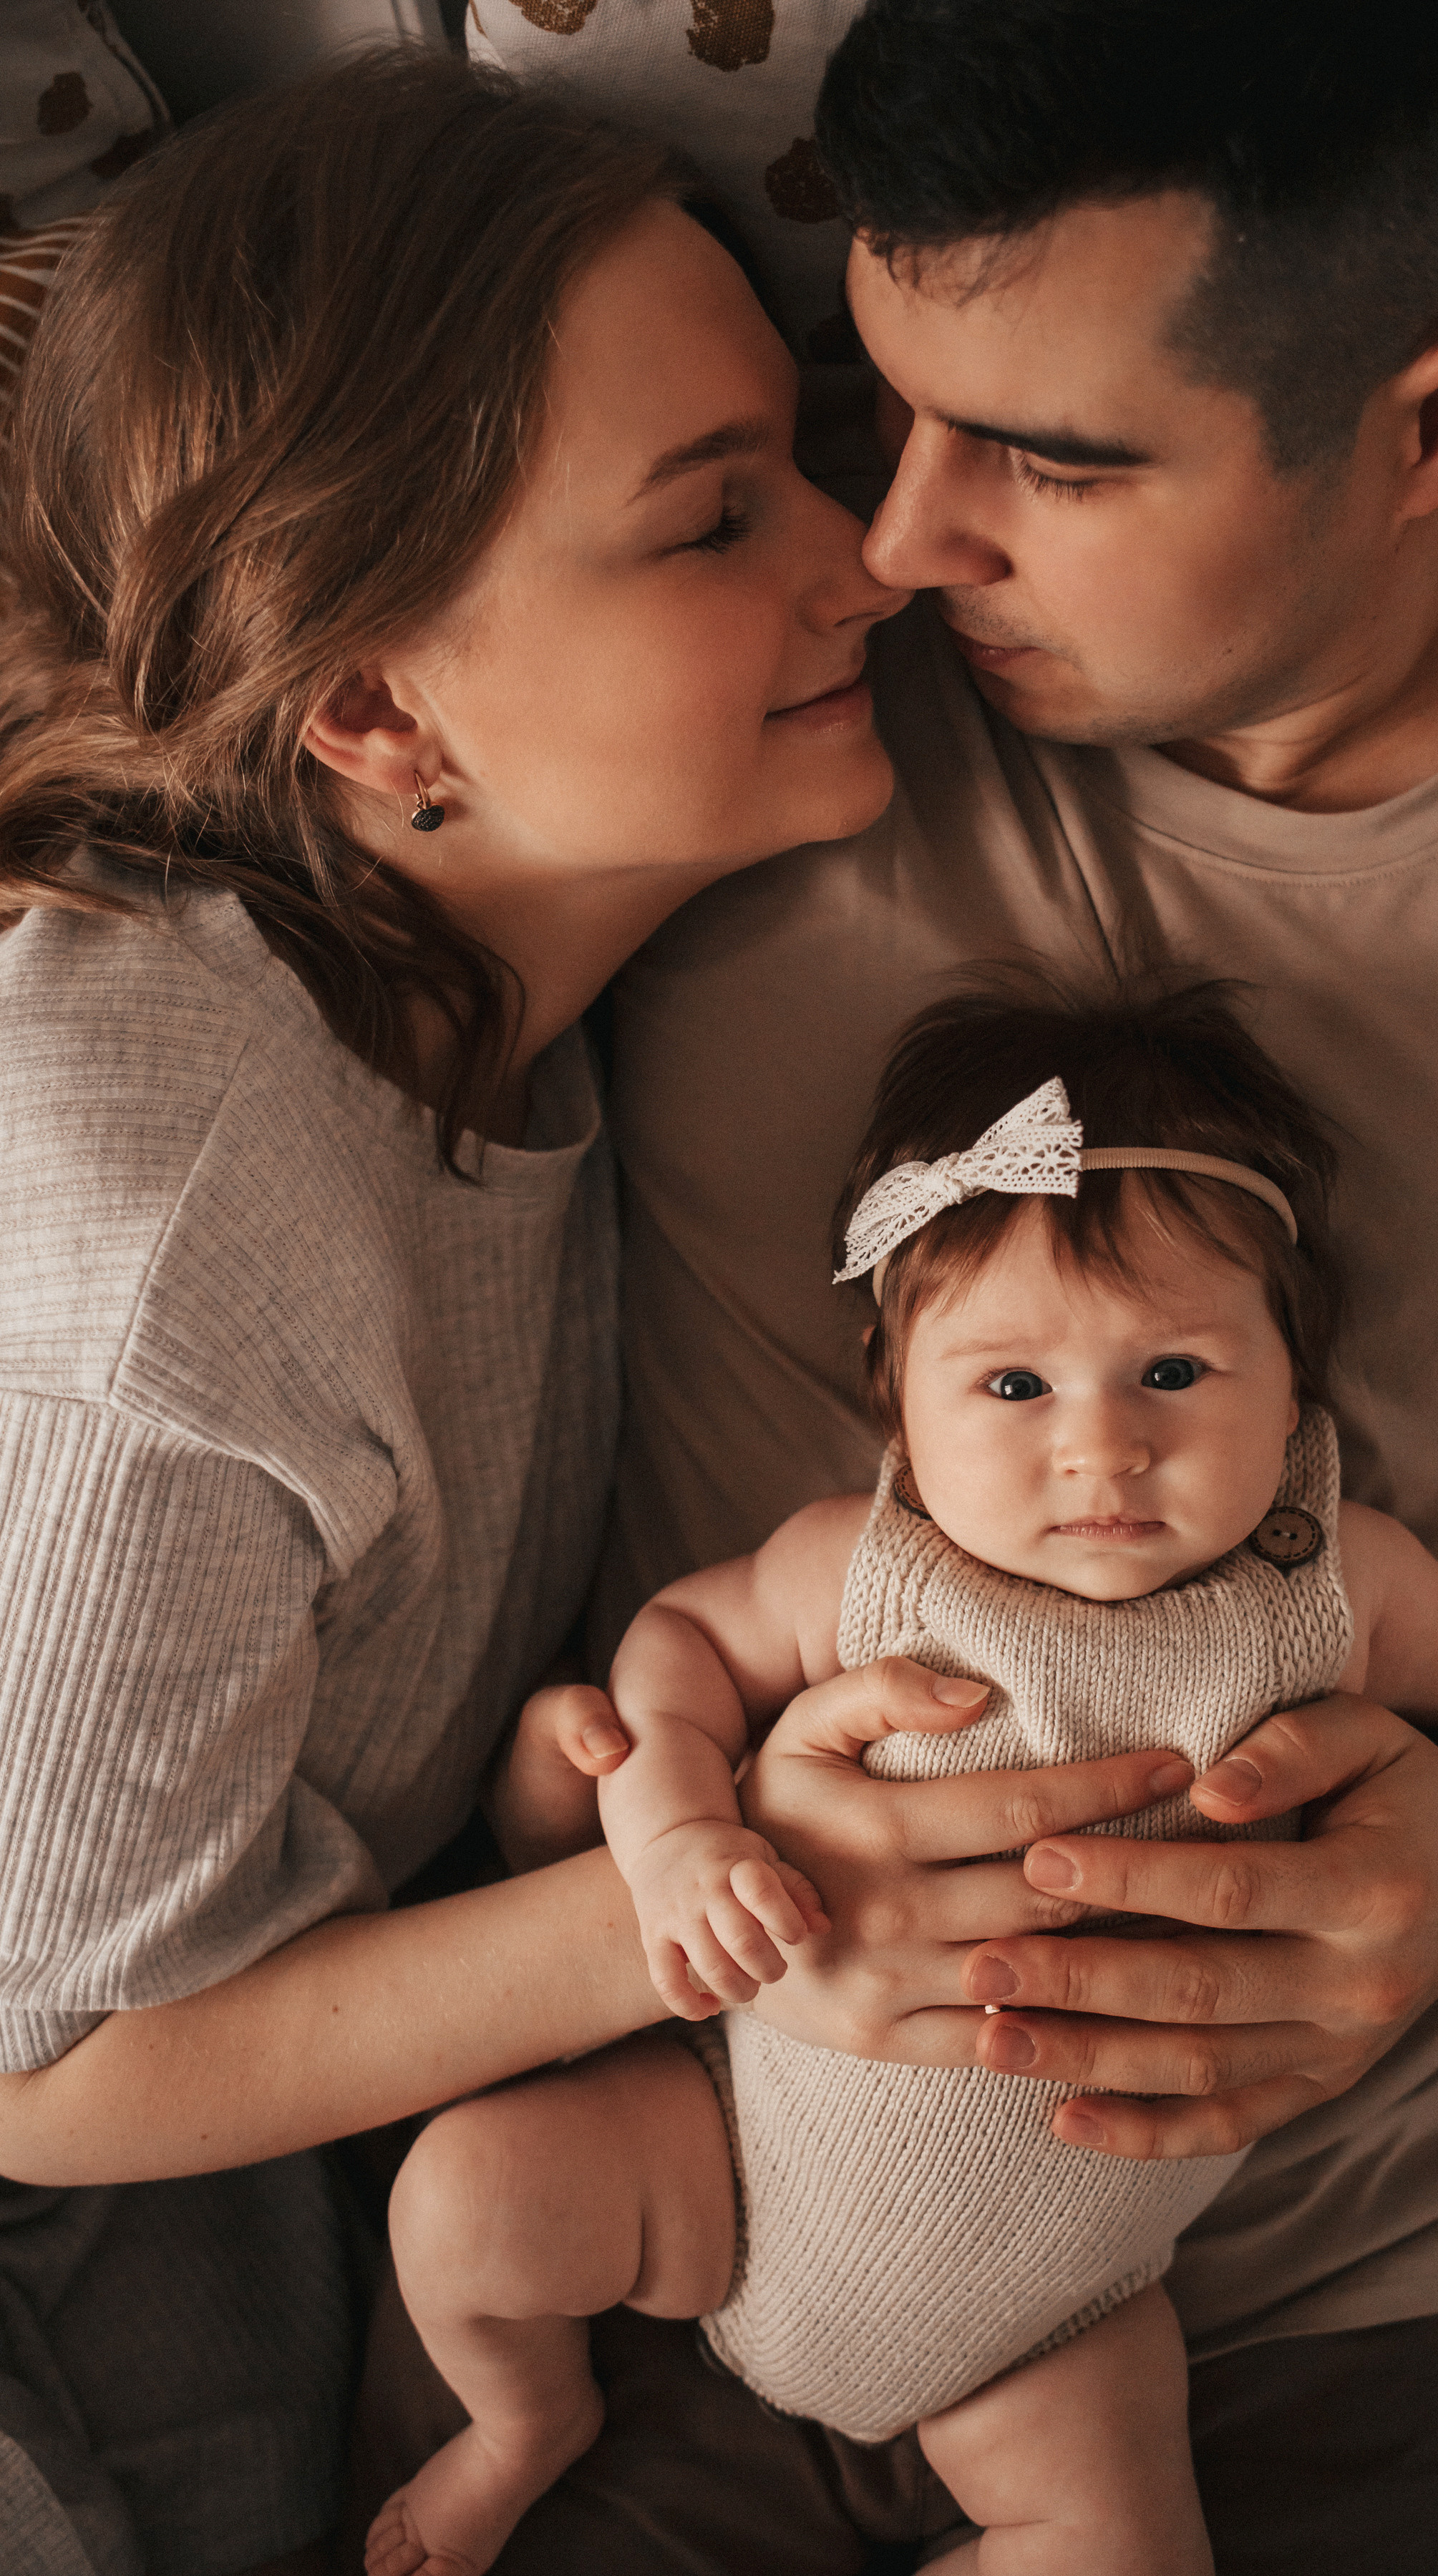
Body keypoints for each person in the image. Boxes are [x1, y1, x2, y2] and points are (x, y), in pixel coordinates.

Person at [515, 1, 1438, 2567]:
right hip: (675, 2202)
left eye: (1055, 462)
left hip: (1316, 2308)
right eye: (895, 409)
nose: (903, 539)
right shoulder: (736, 658)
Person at [0, 44, 923, 2576]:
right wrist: (712, 1887)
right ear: (380, 710)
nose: (871, 556)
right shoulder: (172, 1181)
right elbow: (52, 2060)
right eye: (715, 517)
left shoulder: (492, 1011)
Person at [377, 978, 1438, 2576]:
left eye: (1173, 1376)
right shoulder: (863, 1571)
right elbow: (674, 1648)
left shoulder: (1330, 1591)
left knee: (1126, 2546)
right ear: (897, 1399)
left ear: (1295, 1390)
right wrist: (673, 1834)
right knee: (466, 2197)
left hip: (1058, 2309)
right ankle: (525, 2422)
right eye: (1014, 1388)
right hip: (730, 2165)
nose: (1100, 1449)